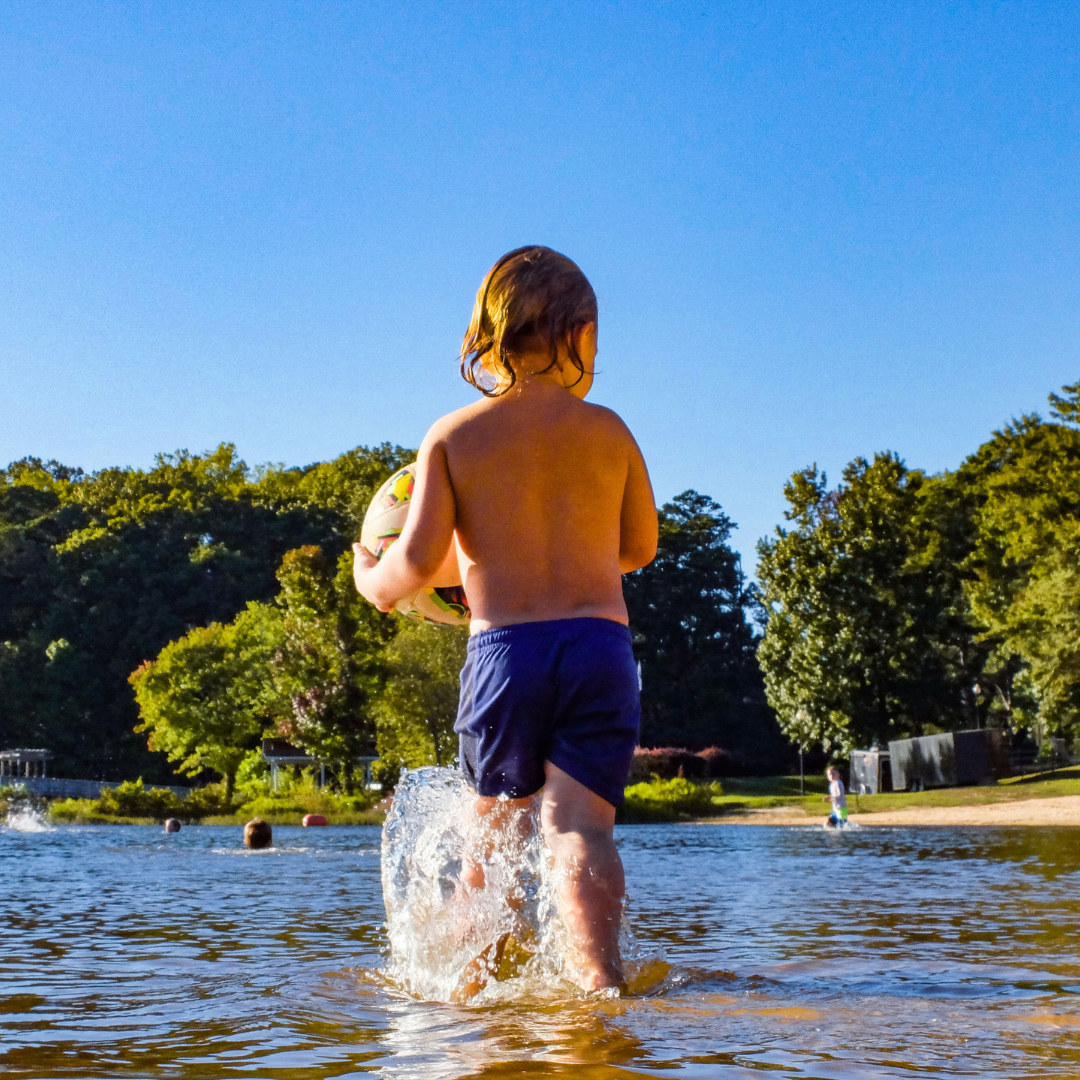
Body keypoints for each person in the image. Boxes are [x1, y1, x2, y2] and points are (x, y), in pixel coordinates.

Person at [352, 246, 658, 992]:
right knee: (580, 830)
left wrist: (374, 583)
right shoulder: (610, 431)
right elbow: (639, 547)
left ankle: (476, 987)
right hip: (598, 648)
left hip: (506, 659)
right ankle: (600, 983)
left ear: (486, 334)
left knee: (495, 831)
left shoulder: (454, 437)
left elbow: (419, 564)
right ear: (583, 333)